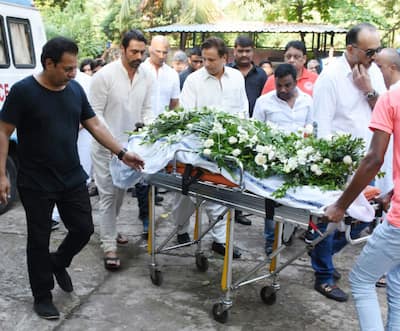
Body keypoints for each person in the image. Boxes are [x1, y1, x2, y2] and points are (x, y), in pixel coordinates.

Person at [0, 36, 144, 320]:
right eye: (67, 68)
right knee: (38, 240)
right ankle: (42, 296)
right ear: (48, 63)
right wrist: (1, 174)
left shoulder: (75, 90)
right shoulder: (23, 92)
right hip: (35, 182)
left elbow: (93, 124)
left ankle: (58, 261)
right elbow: (3, 131)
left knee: (83, 229)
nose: (73, 73)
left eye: (74, 67)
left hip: (70, 177)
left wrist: (121, 152)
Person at [311, 22, 386, 302]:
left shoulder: (374, 73)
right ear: (351, 49)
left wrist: (367, 88)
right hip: (338, 162)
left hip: (370, 159)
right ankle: (324, 276)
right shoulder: (330, 77)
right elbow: (322, 124)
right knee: (332, 219)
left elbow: (384, 112)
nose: (374, 56)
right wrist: (327, 165)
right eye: (369, 51)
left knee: (363, 220)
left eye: (377, 50)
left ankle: (322, 254)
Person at [322, 87, 400, 331]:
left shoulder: (393, 96)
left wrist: (340, 205)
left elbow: (374, 158)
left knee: (361, 280)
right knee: (397, 284)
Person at [175, 36, 248, 258]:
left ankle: (220, 241)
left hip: (229, 148)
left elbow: (243, 110)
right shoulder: (193, 81)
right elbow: (186, 116)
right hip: (198, 147)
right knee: (186, 195)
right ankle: (181, 229)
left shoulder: (236, 78)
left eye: (212, 60)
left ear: (225, 58)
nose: (206, 64)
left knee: (222, 194)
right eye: (204, 59)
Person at [89, 29, 153, 271]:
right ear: (122, 50)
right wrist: (115, 145)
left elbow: (148, 109)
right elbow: (94, 115)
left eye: (141, 52)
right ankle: (109, 246)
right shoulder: (104, 76)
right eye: (134, 51)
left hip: (132, 148)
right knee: (107, 195)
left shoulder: (147, 76)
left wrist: (146, 131)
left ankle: (111, 230)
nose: (138, 56)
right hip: (105, 146)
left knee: (120, 193)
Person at [253, 63, 313, 254]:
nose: (283, 90)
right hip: (272, 162)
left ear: (296, 81)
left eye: (287, 85)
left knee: (294, 200)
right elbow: (255, 132)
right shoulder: (264, 102)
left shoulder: (308, 101)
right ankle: (271, 240)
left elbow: (312, 131)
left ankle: (288, 234)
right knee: (271, 202)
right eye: (279, 85)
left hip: (299, 161)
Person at [228, 35, 267, 226]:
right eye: (240, 50)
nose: (244, 54)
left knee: (245, 172)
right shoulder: (226, 72)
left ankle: (240, 209)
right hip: (230, 129)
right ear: (234, 51)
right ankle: (226, 208)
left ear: (253, 52)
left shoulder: (261, 75)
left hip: (252, 129)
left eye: (247, 50)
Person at [142, 35, 180, 117]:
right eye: (158, 52)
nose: (161, 56)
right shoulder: (140, 71)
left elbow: (174, 103)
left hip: (163, 126)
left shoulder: (172, 74)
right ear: (150, 49)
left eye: (165, 52)